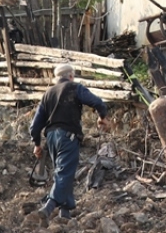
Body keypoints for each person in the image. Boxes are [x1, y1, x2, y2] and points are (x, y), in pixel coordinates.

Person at [30, 62, 111, 219]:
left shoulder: (47, 94)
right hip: (68, 136)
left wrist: (37, 144)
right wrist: (102, 117)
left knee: (63, 173)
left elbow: (34, 126)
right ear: (71, 76)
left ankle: (65, 214)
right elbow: (98, 102)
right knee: (64, 173)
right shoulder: (75, 87)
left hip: (51, 138)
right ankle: (48, 207)